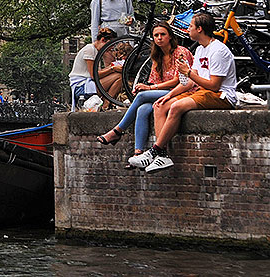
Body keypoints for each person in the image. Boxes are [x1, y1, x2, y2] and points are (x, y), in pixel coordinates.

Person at [133, 11, 236, 173]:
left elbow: (214, 85)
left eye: (191, 26)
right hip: (202, 91)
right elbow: (189, 82)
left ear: (199, 29)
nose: (188, 29)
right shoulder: (201, 49)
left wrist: (188, 73)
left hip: (221, 95)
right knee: (160, 105)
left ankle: (156, 150)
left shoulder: (218, 51)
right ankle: (163, 156)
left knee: (176, 107)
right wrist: (169, 95)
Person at [96, 22, 193, 165]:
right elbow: (154, 80)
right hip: (163, 92)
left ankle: (117, 131)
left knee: (142, 96)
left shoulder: (180, 52)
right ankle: (138, 153)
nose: (159, 38)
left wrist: (149, 88)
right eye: (156, 35)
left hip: (182, 90)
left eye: (163, 34)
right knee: (142, 109)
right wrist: (147, 87)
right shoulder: (157, 56)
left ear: (170, 37)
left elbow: (178, 80)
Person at [69, 27, 116, 109]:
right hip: (82, 87)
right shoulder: (90, 50)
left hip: (87, 84)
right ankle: (106, 104)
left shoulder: (96, 51)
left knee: (117, 75)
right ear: (103, 40)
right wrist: (112, 69)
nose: (111, 48)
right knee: (118, 76)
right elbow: (93, 75)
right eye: (110, 44)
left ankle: (107, 101)